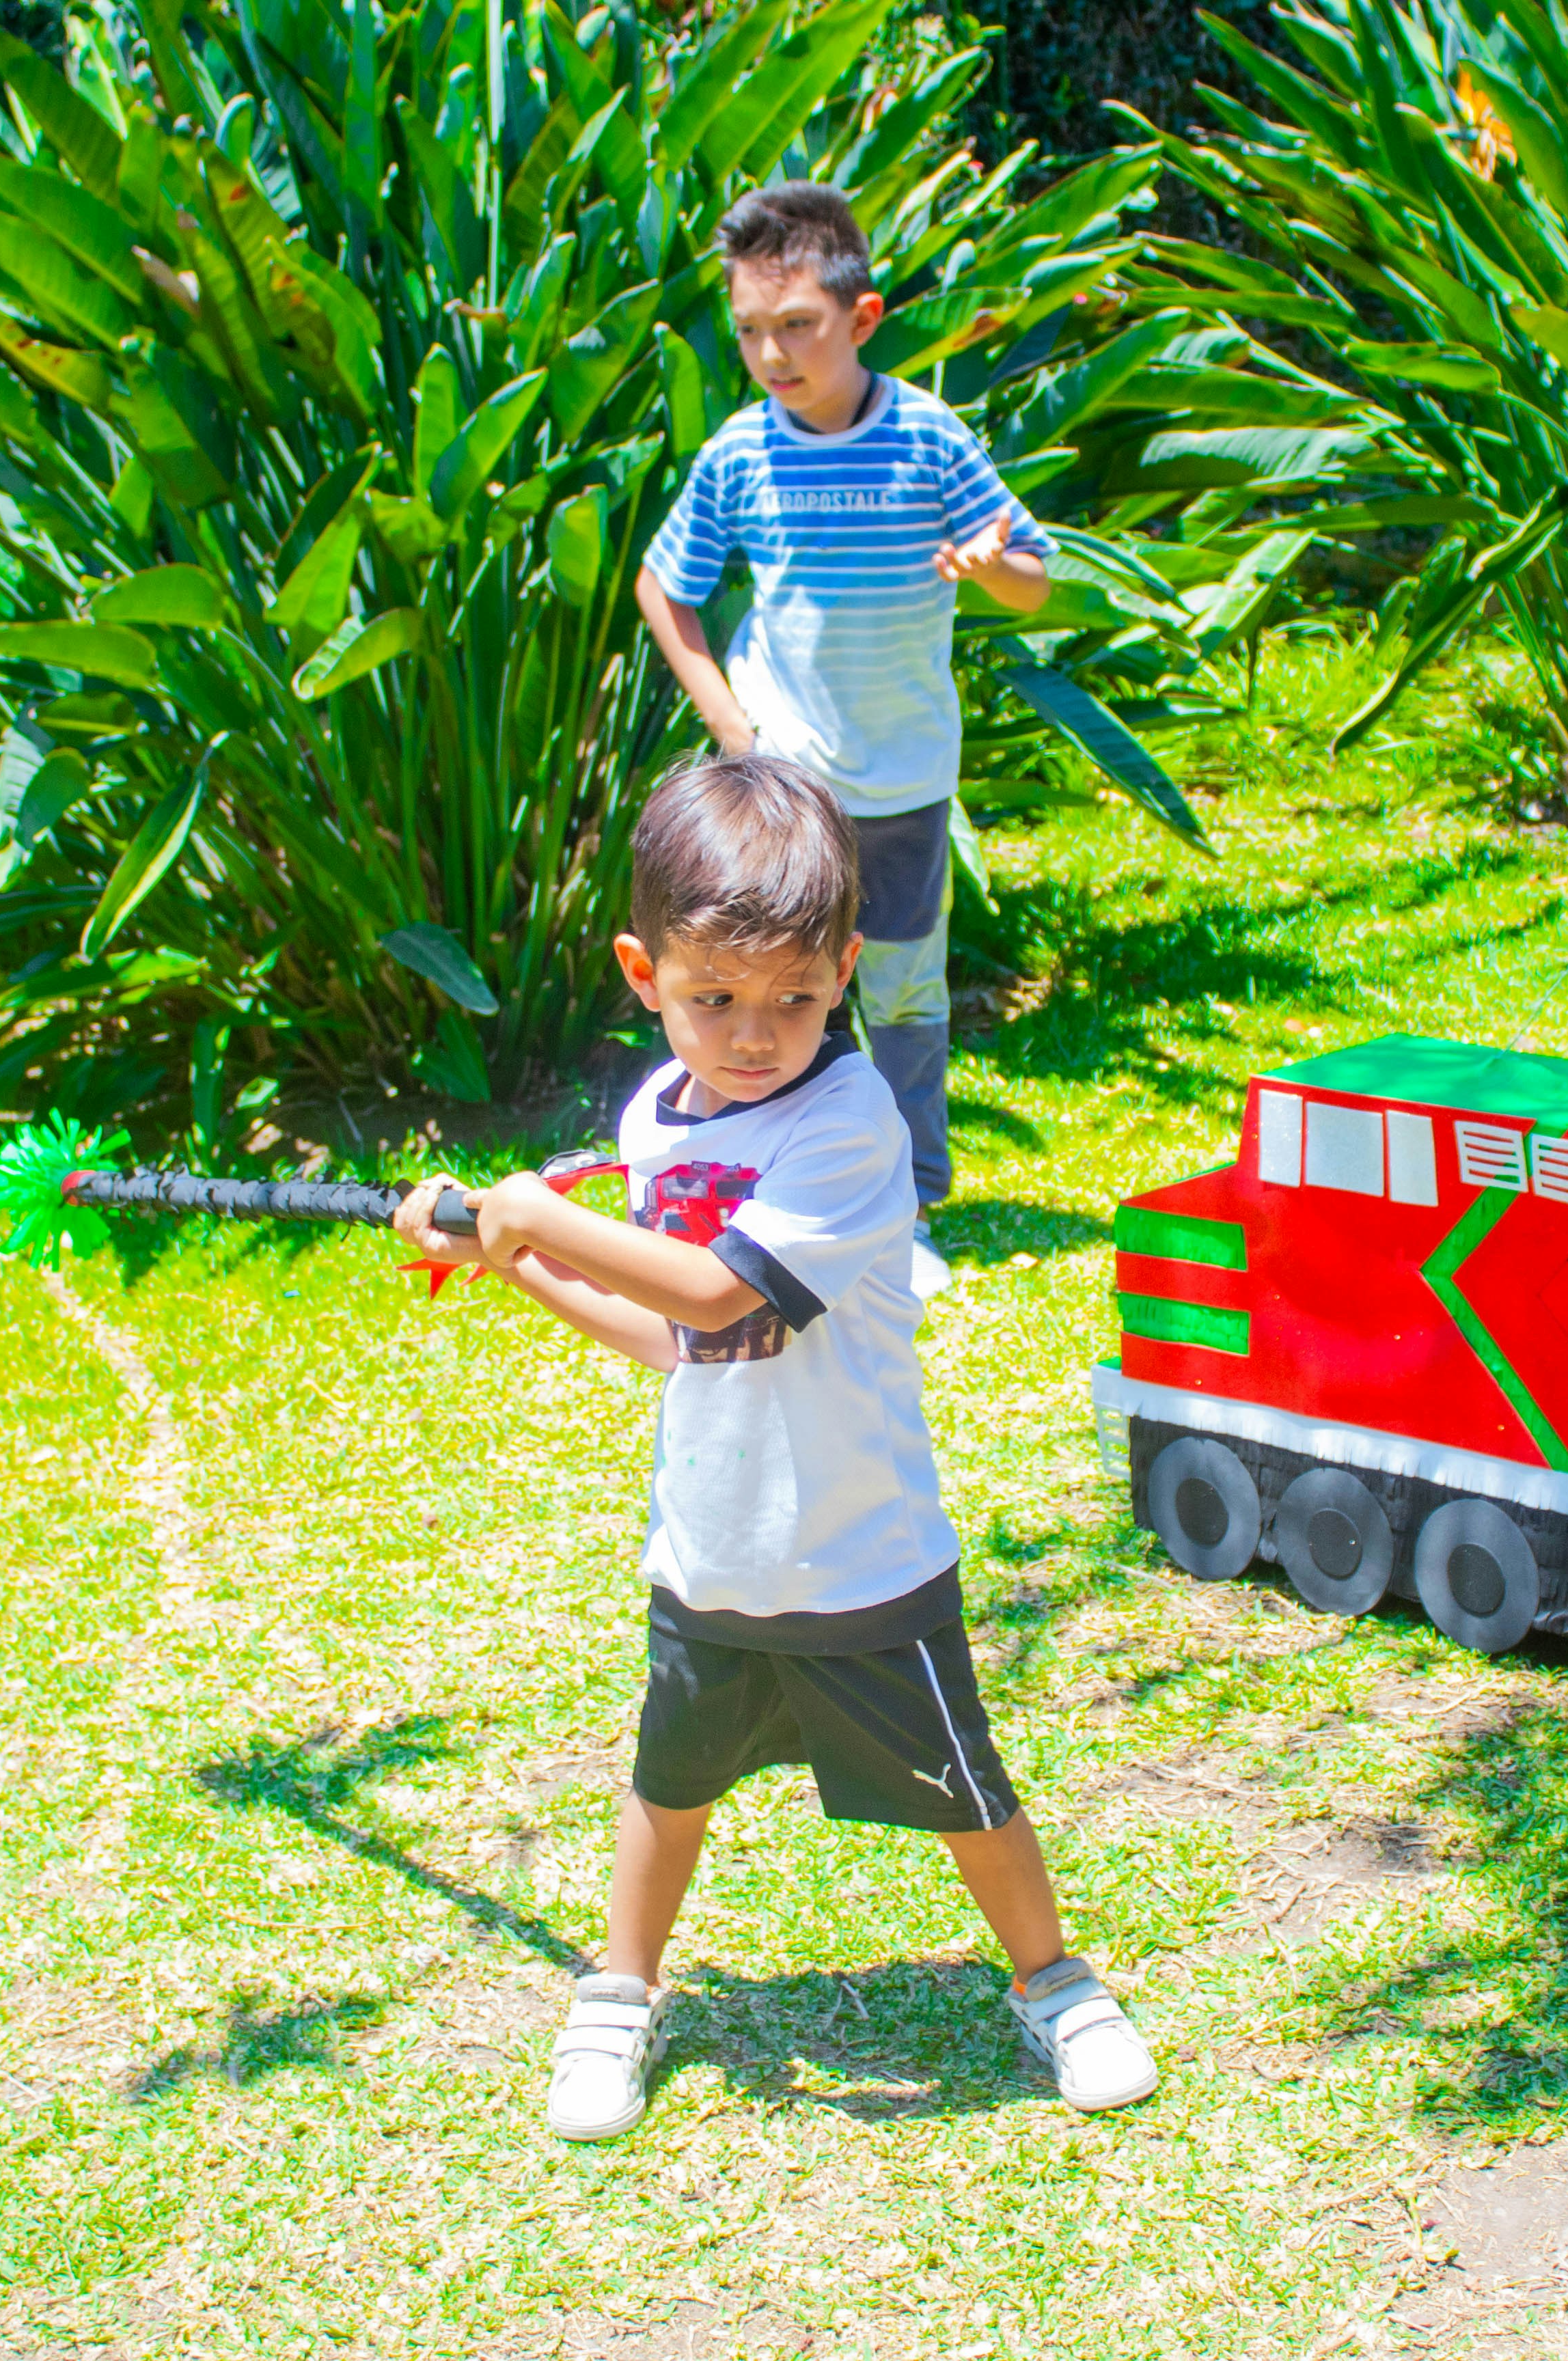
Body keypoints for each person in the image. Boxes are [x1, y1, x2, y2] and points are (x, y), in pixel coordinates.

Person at [397, 753, 1155, 2141]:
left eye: (797, 999)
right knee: (664, 1787)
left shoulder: (851, 1122)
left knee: (964, 1789)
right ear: (643, 971)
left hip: (860, 1550)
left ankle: (1054, 1982)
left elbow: (716, 1288)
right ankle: (619, 1992)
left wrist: (525, 1209)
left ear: (848, 970)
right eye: (713, 999)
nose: (755, 1034)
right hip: (716, 1546)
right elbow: (675, 1341)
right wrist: (511, 1260)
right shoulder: (654, 1124)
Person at [633, 180, 1056, 1299]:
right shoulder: (736, 455)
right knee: (779, 998)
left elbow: (1031, 577)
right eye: (752, 333)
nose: (774, 354)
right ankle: (780, 1197)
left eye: (799, 328)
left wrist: (990, 567)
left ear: (862, 319)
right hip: (789, 790)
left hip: (906, 783)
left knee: (903, 999)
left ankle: (907, 1205)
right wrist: (732, 725)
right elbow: (663, 587)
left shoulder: (929, 437)